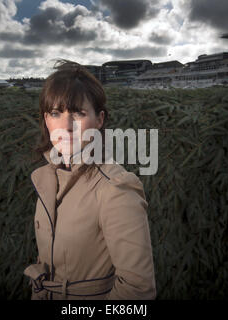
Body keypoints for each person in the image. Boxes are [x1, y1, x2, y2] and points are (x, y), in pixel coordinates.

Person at [23, 61, 156, 300]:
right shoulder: (48, 177)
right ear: (46, 119)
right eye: (56, 113)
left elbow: (137, 290)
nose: (66, 126)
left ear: (99, 119)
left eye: (78, 113)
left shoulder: (115, 187)